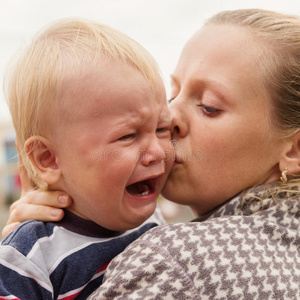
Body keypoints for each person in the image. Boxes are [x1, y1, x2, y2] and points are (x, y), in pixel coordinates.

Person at [3, 8, 300, 299]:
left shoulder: (179, 260)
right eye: (174, 94)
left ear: (294, 149)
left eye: (209, 106)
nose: (171, 118)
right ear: (48, 158)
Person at [0, 18, 173, 299]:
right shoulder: (29, 257)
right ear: (49, 159)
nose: (157, 152)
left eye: (162, 129)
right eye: (128, 136)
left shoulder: (154, 219)